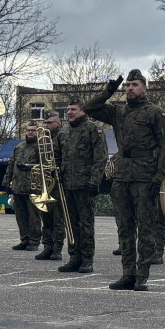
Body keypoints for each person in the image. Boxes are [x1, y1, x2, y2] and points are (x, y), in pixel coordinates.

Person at [84, 69, 165, 291]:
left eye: (134, 85)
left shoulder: (154, 112)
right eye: (127, 86)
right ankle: (128, 272)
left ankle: (142, 274)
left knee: (145, 227)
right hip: (122, 174)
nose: (130, 89)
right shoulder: (118, 111)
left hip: (145, 175)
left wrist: (160, 176)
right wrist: (108, 90)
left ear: (144, 87)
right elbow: (90, 108)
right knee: (124, 227)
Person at [57, 97, 108, 274]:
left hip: (85, 184)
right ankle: (74, 257)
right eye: (68, 109)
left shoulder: (93, 129)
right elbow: (57, 157)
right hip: (67, 184)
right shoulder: (63, 132)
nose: (69, 112)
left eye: (73, 109)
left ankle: (87, 258)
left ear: (83, 111)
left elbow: (100, 157)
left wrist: (95, 181)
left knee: (86, 223)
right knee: (71, 224)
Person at [3, 121, 42, 252]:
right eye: (28, 130)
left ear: (38, 132)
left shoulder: (41, 147)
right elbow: (10, 165)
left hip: (33, 187)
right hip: (18, 186)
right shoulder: (19, 147)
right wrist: (6, 181)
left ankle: (34, 241)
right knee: (20, 216)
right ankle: (24, 239)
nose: (30, 132)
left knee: (34, 216)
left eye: (33, 130)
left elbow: (45, 166)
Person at [36, 112, 67, 261]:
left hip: (57, 183)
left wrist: (58, 167)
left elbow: (67, 157)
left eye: (49, 123)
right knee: (46, 217)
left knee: (58, 219)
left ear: (58, 123)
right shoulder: (43, 138)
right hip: (45, 182)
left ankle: (57, 248)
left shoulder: (63, 136)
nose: (46, 125)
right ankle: (47, 247)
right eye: (45, 123)